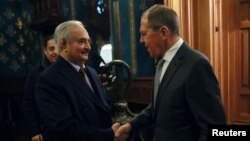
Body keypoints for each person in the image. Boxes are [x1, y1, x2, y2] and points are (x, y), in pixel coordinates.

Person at [116, 4, 226, 141]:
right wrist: (131, 125)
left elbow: (214, 126)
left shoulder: (197, 64)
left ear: (163, 32)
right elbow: (158, 106)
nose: (141, 40)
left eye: (144, 34)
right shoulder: (161, 62)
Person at [35, 20, 121, 141]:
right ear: (64, 44)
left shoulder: (92, 72)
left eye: (88, 42)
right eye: (82, 41)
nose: (88, 47)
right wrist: (108, 135)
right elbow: (64, 127)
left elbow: (103, 108)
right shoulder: (48, 79)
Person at [23, 35, 58, 141]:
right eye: (51, 49)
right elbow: (29, 104)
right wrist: (34, 131)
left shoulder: (68, 71)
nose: (55, 52)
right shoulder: (35, 74)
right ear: (44, 51)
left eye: (57, 48)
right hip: (45, 130)